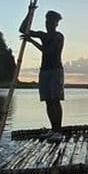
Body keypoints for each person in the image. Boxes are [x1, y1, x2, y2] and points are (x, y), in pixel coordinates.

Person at [21, 10, 65, 140]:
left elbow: (49, 52)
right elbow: (23, 29)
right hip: (44, 71)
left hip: (55, 71)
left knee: (55, 100)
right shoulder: (43, 35)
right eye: (46, 22)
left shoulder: (58, 36)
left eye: (51, 22)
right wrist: (30, 12)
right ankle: (53, 129)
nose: (48, 25)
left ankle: (58, 131)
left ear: (56, 24)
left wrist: (32, 42)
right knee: (48, 101)